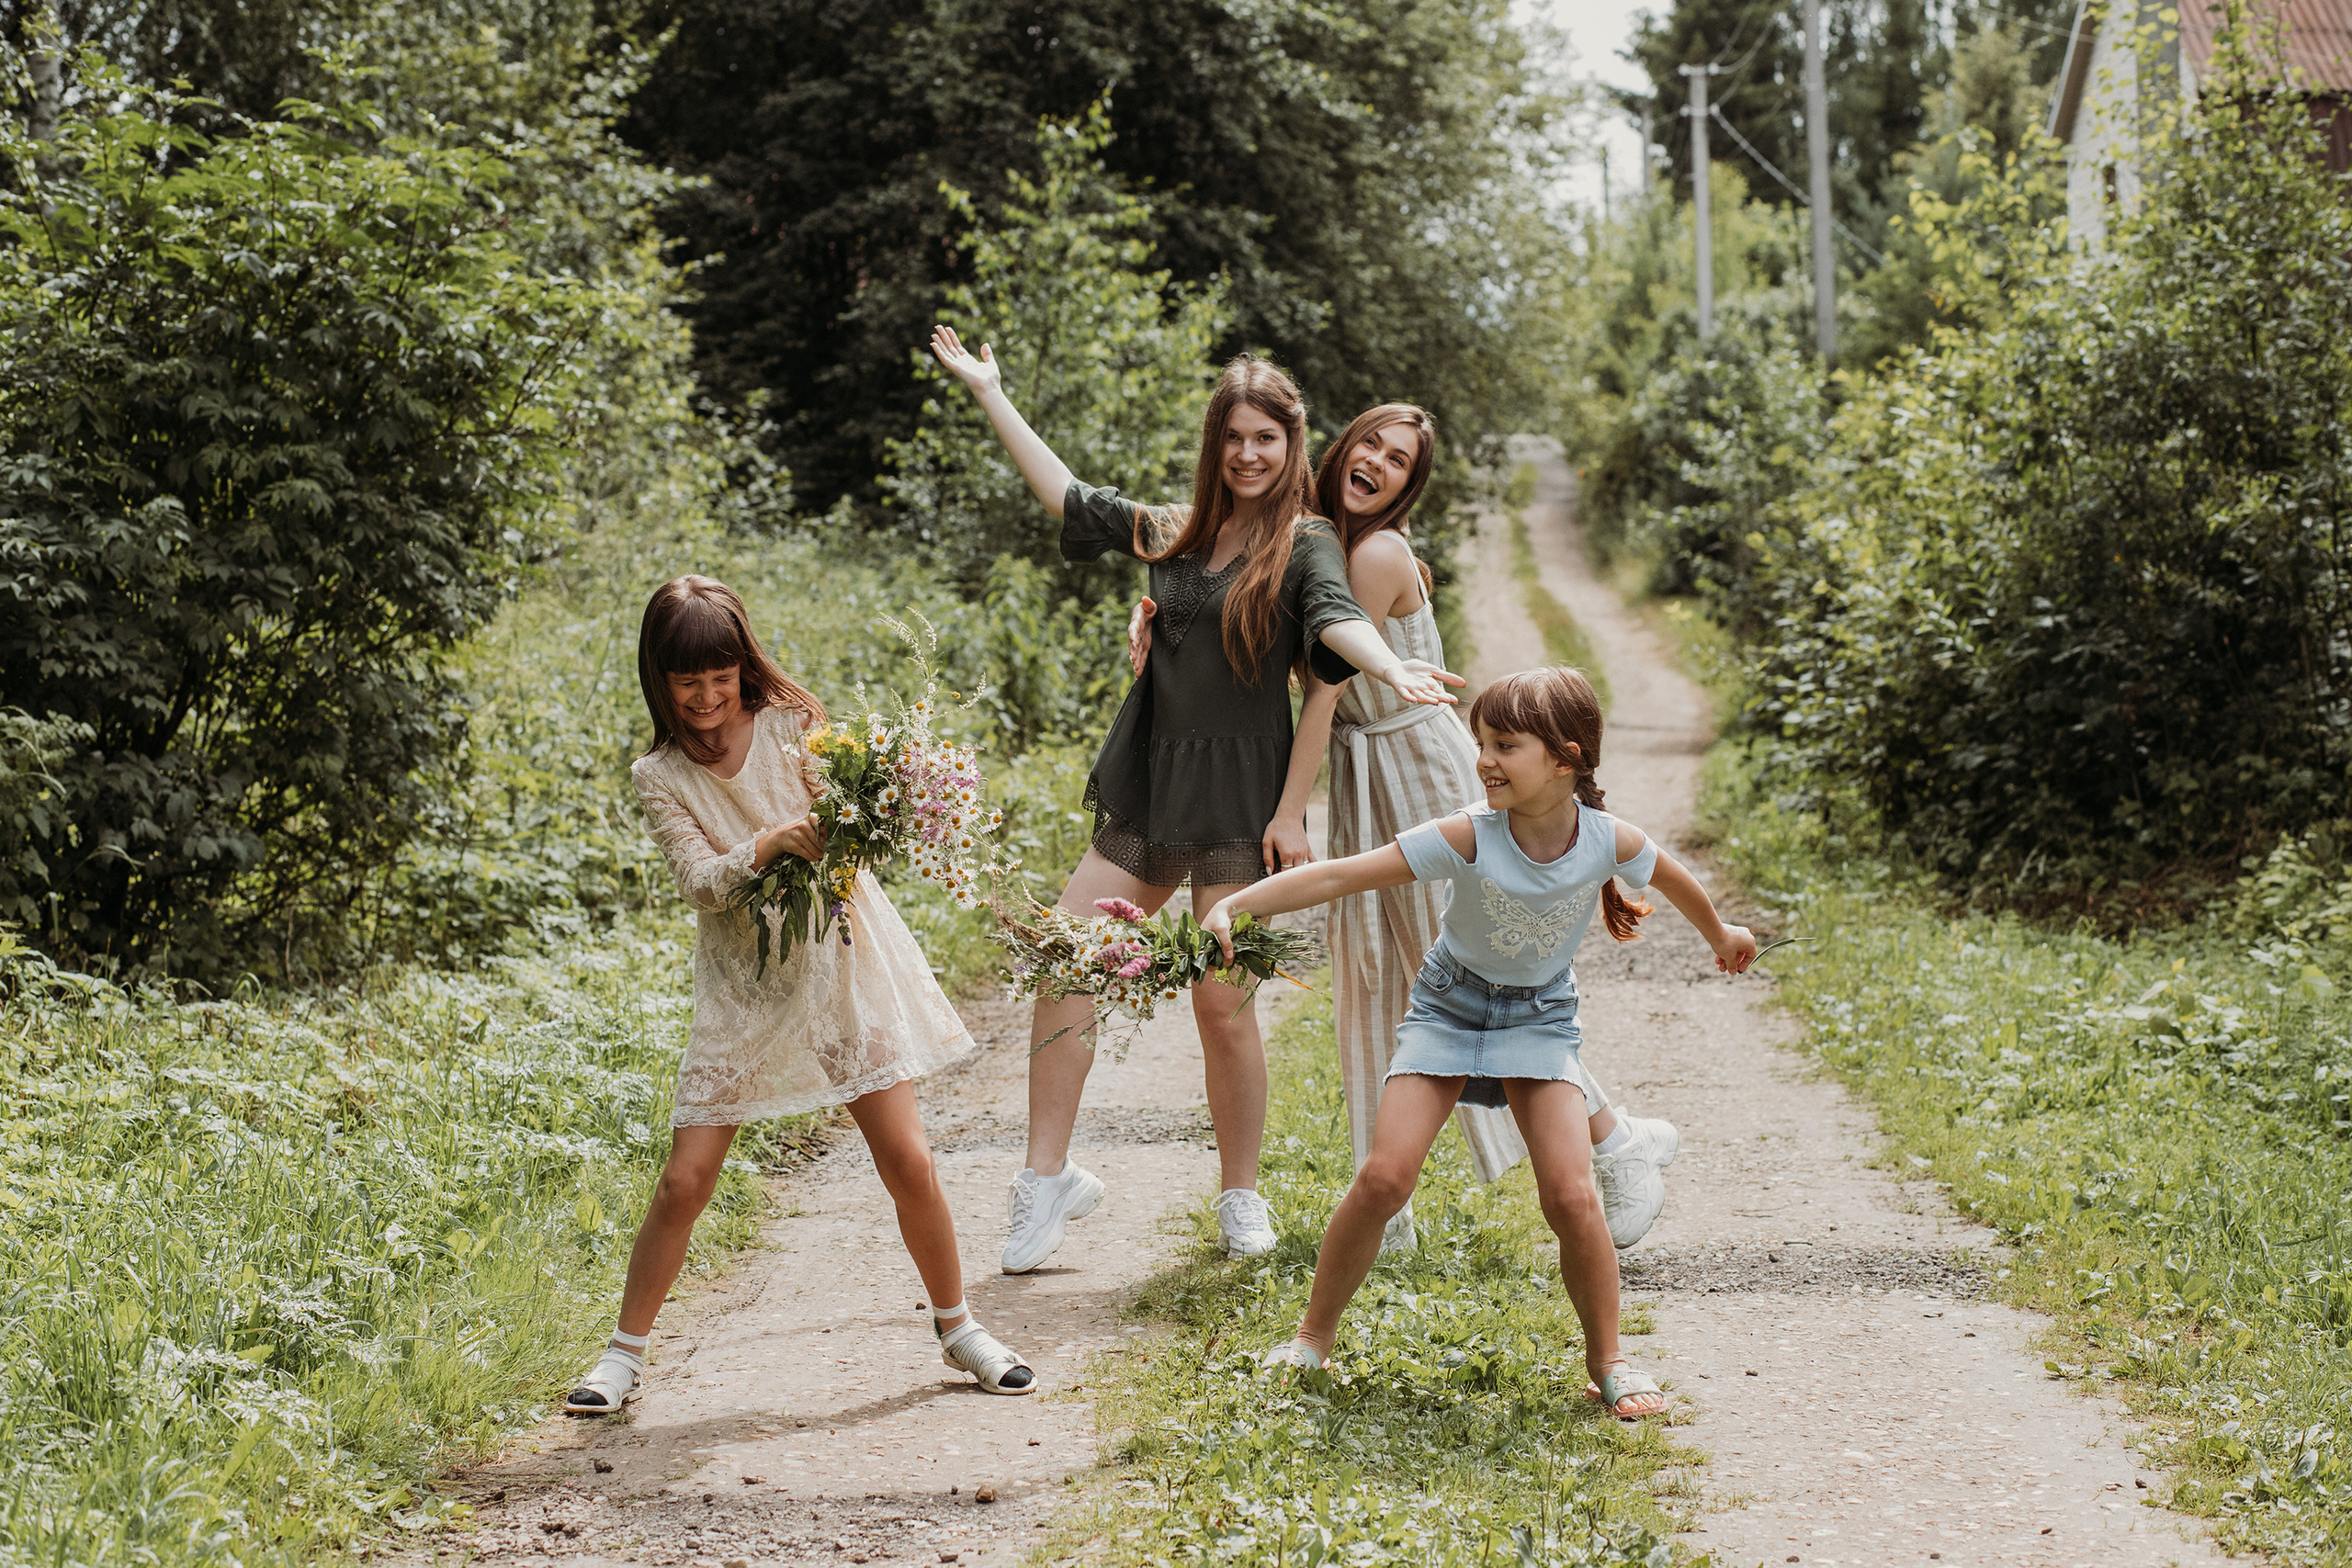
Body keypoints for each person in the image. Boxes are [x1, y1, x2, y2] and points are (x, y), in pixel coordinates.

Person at [925, 326, 1464, 1274]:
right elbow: (1068, 496)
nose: (1250, 455)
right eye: (1235, 437)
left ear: (1292, 446)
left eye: (1268, 438)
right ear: (1217, 444)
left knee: (1223, 1006)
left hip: (1238, 800)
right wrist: (988, 391)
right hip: (1149, 780)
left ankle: (1240, 1194)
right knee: (1067, 964)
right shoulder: (1173, 530)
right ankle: (1044, 1180)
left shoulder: (1307, 547)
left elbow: (1338, 626)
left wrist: (1399, 666)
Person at [1133, 407, 1680, 1252]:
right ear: (1342, 449)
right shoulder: (1310, 545)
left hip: (1417, 765)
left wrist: (1287, 812)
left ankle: (1616, 1140)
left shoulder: (1374, 554)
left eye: (1398, 461)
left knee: (1468, 967)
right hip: (1365, 771)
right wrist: (1158, 619)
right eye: (1370, 447)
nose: (1378, 465)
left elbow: (1322, 690)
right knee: (1376, 974)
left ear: (1407, 485)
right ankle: (1391, 1206)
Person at [1201, 667, 1756, 1418]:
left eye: (1505, 744)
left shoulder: (1604, 839)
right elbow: (1344, 875)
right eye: (1481, 743)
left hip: (1538, 1020)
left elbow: (1674, 875)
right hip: (1448, 1009)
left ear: (1565, 758)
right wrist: (1238, 902)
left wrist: (1721, 932)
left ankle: (1611, 1360)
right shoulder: (1469, 832)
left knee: (1570, 1193)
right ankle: (1310, 1339)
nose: (1485, 759)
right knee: (1384, 1178)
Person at [564, 576, 1035, 1414]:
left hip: (841, 964)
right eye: (687, 681)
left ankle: (961, 1327)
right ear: (659, 681)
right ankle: (624, 1354)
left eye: (720, 676)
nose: (708, 696)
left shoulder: (795, 726)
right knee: (685, 1179)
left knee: (909, 1159)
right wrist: (774, 840)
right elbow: (702, 881)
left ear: (743, 666)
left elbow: (856, 839)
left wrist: (860, 822)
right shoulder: (661, 773)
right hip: (744, 988)